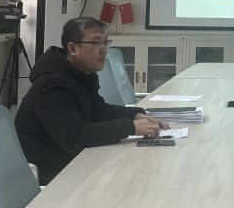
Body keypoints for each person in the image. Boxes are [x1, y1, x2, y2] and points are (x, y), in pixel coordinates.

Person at [15, 17, 169, 184]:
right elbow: (74, 137)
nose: (103, 50)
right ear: (73, 48)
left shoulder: (80, 74)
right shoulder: (51, 85)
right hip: (52, 175)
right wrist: (130, 127)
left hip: (76, 162)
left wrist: (136, 115)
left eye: (106, 42)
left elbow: (99, 111)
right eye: (96, 43)